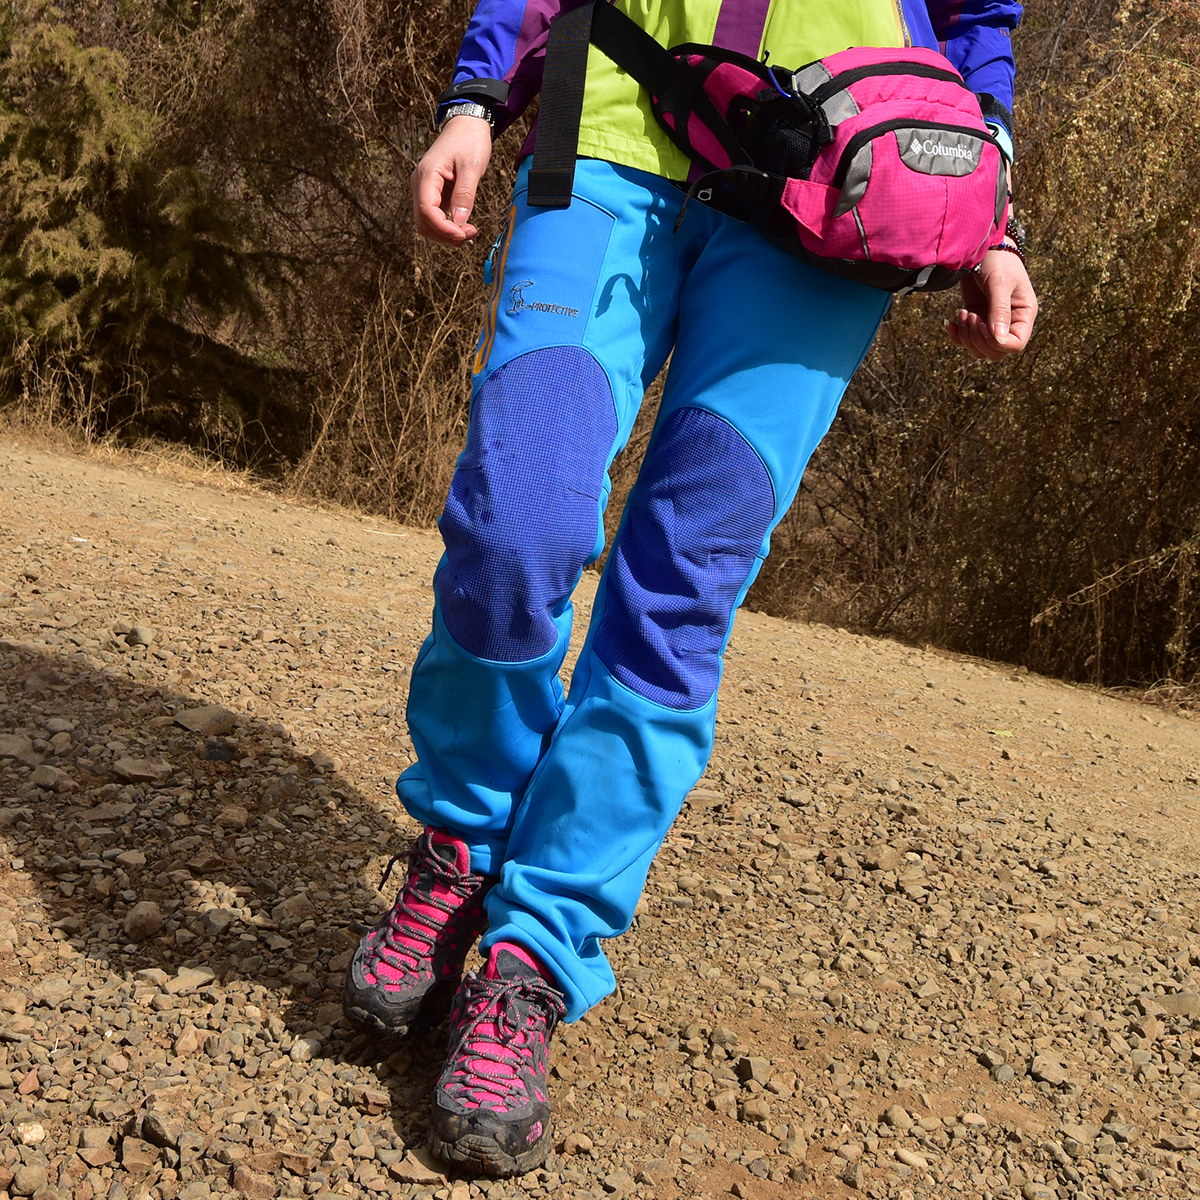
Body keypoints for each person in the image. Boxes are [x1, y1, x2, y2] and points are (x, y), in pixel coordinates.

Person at [344, 0, 1038, 1178]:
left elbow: (983, 18)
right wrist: (475, 98)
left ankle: (537, 949)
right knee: (519, 520)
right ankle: (462, 843)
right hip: (615, 120)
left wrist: (993, 209)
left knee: (681, 588)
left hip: (834, 179)